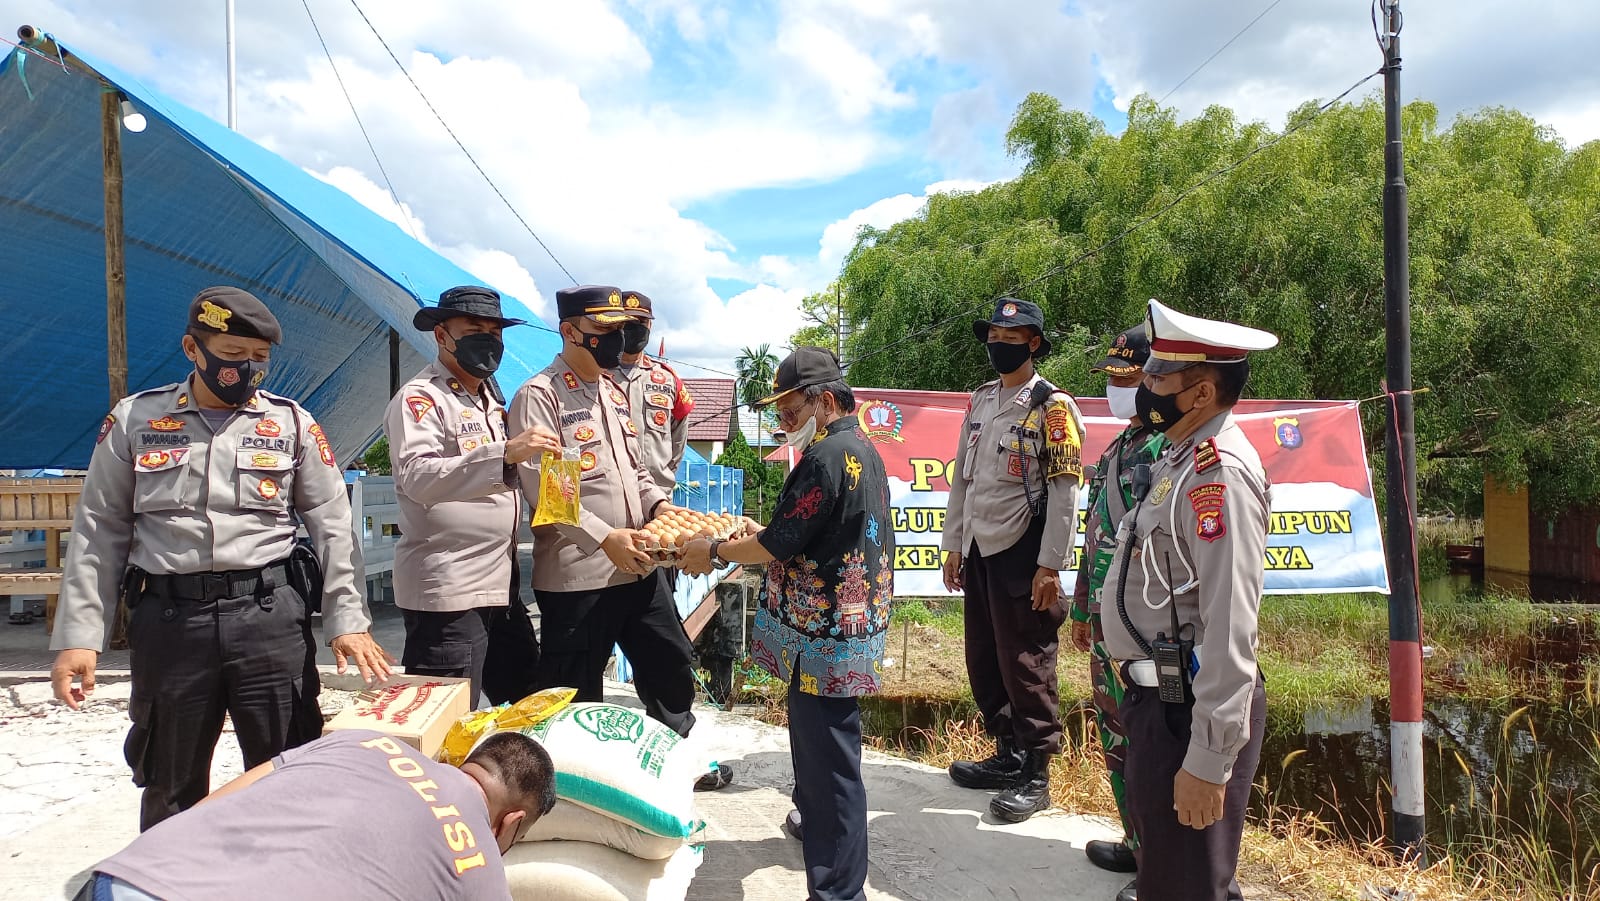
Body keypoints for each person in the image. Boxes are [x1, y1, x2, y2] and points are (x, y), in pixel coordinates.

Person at [49, 286, 392, 832]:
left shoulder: (291, 423)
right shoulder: (137, 420)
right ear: (192, 348)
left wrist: (348, 620)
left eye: (259, 359)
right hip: (170, 622)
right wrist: (78, 635)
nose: (247, 370)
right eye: (232, 356)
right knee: (169, 781)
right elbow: (99, 529)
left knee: (291, 774)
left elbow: (332, 524)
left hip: (268, 617)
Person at [681, 346, 892, 901]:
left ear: (824, 400)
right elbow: (806, 528)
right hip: (841, 633)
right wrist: (757, 532)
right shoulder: (860, 448)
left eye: (790, 410)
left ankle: (840, 891)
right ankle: (818, 830)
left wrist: (717, 548)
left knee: (832, 767)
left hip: (825, 635)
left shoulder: (825, 457)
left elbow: (777, 543)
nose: (782, 422)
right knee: (819, 755)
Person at [507, 285, 728, 790]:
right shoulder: (541, 397)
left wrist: (660, 507)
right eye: (602, 332)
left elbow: (638, 472)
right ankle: (580, 785)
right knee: (577, 691)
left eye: (618, 331)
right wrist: (606, 538)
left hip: (638, 564)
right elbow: (553, 497)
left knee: (669, 660)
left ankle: (674, 760)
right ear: (569, 332)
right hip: (579, 575)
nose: (615, 341)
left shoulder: (612, 389)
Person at [1100, 299, 1277, 901]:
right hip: (1159, 701)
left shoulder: (1216, 475)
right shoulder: (1180, 456)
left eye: (1155, 377)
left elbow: (1231, 625)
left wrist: (1207, 758)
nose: (1141, 387)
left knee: (1185, 885)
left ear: (1199, 393)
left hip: (1188, 711)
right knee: (1170, 877)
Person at [74, 728, 557, 901]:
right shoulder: (480, 863)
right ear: (510, 822)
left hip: (119, 879)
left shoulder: (363, 740)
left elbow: (217, 801)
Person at [940, 297, 1085, 823]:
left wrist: (1051, 566)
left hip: (1024, 551)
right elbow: (964, 479)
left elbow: (1065, 492)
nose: (998, 346)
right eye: (993, 338)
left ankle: (1036, 772)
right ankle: (1006, 754)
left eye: (1011, 338)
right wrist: (953, 544)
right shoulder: (980, 401)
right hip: (981, 547)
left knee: (1027, 661)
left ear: (1035, 344)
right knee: (984, 658)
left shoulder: (1053, 407)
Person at [385, 286, 560, 707]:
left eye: (495, 332)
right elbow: (417, 476)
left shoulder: (490, 400)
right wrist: (506, 452)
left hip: (500, 586)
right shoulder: (422, 398)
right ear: (442, 335)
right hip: (450, 590)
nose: (488, 339)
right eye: (474, 329)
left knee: (523, 706)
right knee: (444, 713)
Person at [1068, 324, 1165, 893]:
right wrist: (1083, 612)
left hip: (1146, 628)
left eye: (1128, 380)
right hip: (1107, 624)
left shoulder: (1168, 450)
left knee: (1154, 745)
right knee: (1117, 732)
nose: (1118, 388)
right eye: (1112, 379)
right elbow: (1096, 535)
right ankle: (1136, 842)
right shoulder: (1118, 447)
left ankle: (1161, 864)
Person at [613, 290, 694, 493]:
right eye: (628, 322)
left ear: (650, 325)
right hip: (612, 495)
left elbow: (679, 439)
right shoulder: (595, 375)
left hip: (658, 494)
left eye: (642, 322)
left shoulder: (667, 379)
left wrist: (663, 475)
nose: (636, 329)